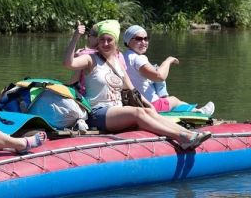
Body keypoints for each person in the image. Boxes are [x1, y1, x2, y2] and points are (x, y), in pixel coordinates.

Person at [63, 20, 211, 150]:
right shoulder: (90, 59)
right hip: (98, 112)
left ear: (116, 42)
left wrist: (149, 106)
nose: (105, 44)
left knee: (148, 112)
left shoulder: (118, 62)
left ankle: (189, 134)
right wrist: (76, 37)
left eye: (109, 40)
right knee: (137, 113)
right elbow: (68, 63)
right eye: (102, 40)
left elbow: (132, 90)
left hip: (117, 111)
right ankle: (181, 137)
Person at [122, 25, 215, 115]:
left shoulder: (123, 57)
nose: (143, 42)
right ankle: (200, 113)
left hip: (135, 104)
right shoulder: (138, 58)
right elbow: (159, 77)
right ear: (128, 41)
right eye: (139, 39)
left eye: (146, 38)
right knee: (174, 100)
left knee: (165, 93)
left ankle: (189, 109)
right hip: (150, 105)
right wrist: (168, 61)